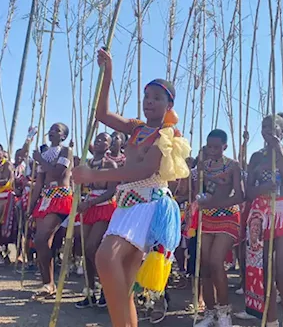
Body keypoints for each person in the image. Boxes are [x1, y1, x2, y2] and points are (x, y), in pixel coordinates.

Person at [73, 48, 190, 327]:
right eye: (147, 97)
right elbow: (101, 113)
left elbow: (145, 170)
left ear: (169, 104)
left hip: (149, 203)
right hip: (128, 205)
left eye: (157, 98)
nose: (149, 102)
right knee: (122, 278)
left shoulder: (169, 134)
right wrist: (108, 73)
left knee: (105, 257)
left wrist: (92, 175)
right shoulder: (137, 128)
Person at [244, 114, 283, 327]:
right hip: (260, 213)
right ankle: (270, 322)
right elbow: (248, 191)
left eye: (273, 126)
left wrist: (278, 149)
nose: (267, 129)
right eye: (263, 126)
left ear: (282, 130)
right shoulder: (256, 157)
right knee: (264, 270)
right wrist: (261, 189)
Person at [193, 129, 245, 327]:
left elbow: (240, 196)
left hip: (228, 216)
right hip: (207, 218)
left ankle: (225, 312)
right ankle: (210, 312)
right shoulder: (202, 166)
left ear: (225, 146)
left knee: (216, 261)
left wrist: (217, 204)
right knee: (205, 265)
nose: (212, 150)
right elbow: (198, 192)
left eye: (216, 147)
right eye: (209, 146)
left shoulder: (233, 166)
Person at [28, 123, 73, 300]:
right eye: (51, 128)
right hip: (46, 199)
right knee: (40, 242)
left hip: (61, 197)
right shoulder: (45, 154)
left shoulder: (66, 151)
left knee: (41, 238)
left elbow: (59, 173)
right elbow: (39, 183)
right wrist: (31, 207)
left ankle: (50, 283)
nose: (52, 131)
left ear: (63, 136)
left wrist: (39, 159)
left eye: (57, 130)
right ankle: (48, 283)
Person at [75, 132, 118, 309]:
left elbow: (112, 191)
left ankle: (106, 287)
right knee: (85, 248)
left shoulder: (111, 164)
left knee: (93, 247)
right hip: (88, 206)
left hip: (105, 207)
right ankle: (90, 290)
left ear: (109, 146)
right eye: (98, 139)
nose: (100, 142)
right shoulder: (87, 164)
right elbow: (78, 185)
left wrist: (91, 202)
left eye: (104, 140)